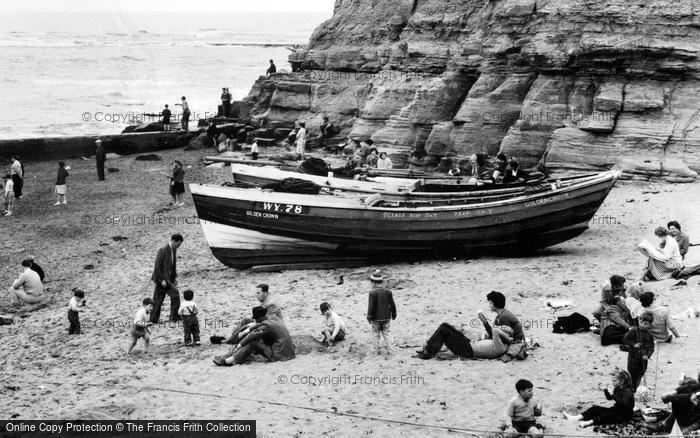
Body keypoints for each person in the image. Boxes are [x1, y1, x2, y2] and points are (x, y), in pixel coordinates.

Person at [213, 306, 295, 366]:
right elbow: (259, 325)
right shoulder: (274, 318)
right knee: (252, 340)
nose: (255, 320)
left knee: (252, 343)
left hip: (279, 354)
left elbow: (252, 335)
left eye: (256, 318)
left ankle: (230, 360)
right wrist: (248, 329)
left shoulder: (266, 326)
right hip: (288, 352)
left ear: (260, 318)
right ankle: (228, 356)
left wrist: (240, 344)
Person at [413, 314, 515, 360]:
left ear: (504, 335)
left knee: (444, 331)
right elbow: (492, 332)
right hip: (467, 344)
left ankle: (428, 352)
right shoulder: (498, 342)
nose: (501, 328)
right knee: (445, 325)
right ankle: (428, 347)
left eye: (504, 328)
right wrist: (484, 321)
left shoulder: (501, 347)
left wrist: (508, 338)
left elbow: (495, 331)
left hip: (467, 351)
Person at [563, 369, 635, 428]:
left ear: (622, 381)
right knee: (595, 408)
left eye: (614, 381)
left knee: (606, 415)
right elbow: (609, 398)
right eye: (612, 381)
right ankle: (575, 418)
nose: (612, 383)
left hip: (624, 415)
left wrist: (613, 395)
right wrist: (605, 390)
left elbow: (623, 404)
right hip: (616, 410)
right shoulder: (618, 388)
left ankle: (588, 423)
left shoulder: (627, 391)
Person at [150, 234, 183, 324]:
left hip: (168, 279)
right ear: (173, 241)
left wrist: (174, 278)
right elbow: (157, 266)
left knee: (159, 298)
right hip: (161, 279)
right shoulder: (163, 250)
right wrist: (162, 280)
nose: (179, 246)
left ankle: (156, 319)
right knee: (161, 298)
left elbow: (172, 266)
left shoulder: (173, 250)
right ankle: (172, 317)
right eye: (178, 244)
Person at [622, 311, 655, 391]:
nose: (642, 325)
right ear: (638, 321)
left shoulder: (650, 335)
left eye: (645, 323)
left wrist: (647, 355)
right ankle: (632, 388)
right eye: (641, 322)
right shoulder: (634, 331)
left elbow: (652, 347)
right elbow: (625, 339)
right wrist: (633, 344)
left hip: (643, 360)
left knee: (640, 374)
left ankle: (636, 389)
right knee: (632, 374)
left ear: (650, 325)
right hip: (633, 358)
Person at [366, 270, 397, 355]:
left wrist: (369, 317)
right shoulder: (388, 291)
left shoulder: (372, 293)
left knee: (376, 334)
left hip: (376, 318)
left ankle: (376, 351)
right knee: (387, 334)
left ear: (373, 283)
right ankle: (390, 350)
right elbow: (392, 304)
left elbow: (371, 306)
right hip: (387, 317)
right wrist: (394, 314)